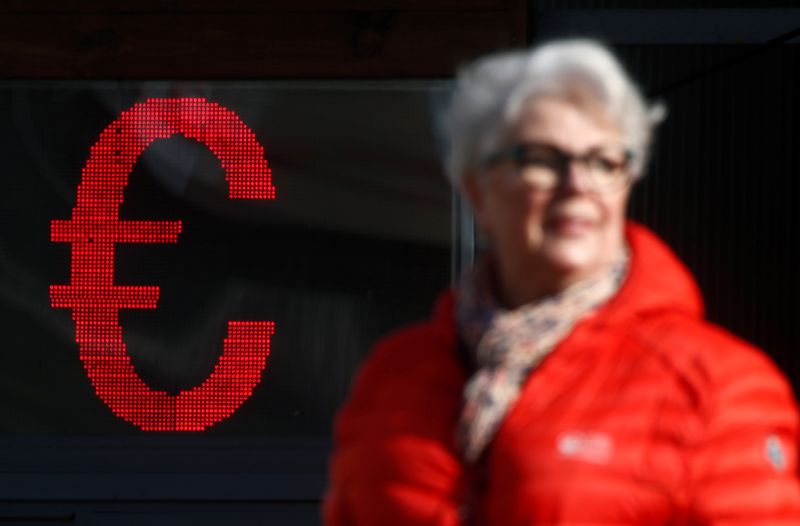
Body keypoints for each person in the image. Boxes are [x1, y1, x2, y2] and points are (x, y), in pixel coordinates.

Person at [323, 39, 800, 525]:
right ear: (477, 190)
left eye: (604, 162)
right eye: (541, 159)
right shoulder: (395, 376)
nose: (577, 185)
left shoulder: (715, 384)